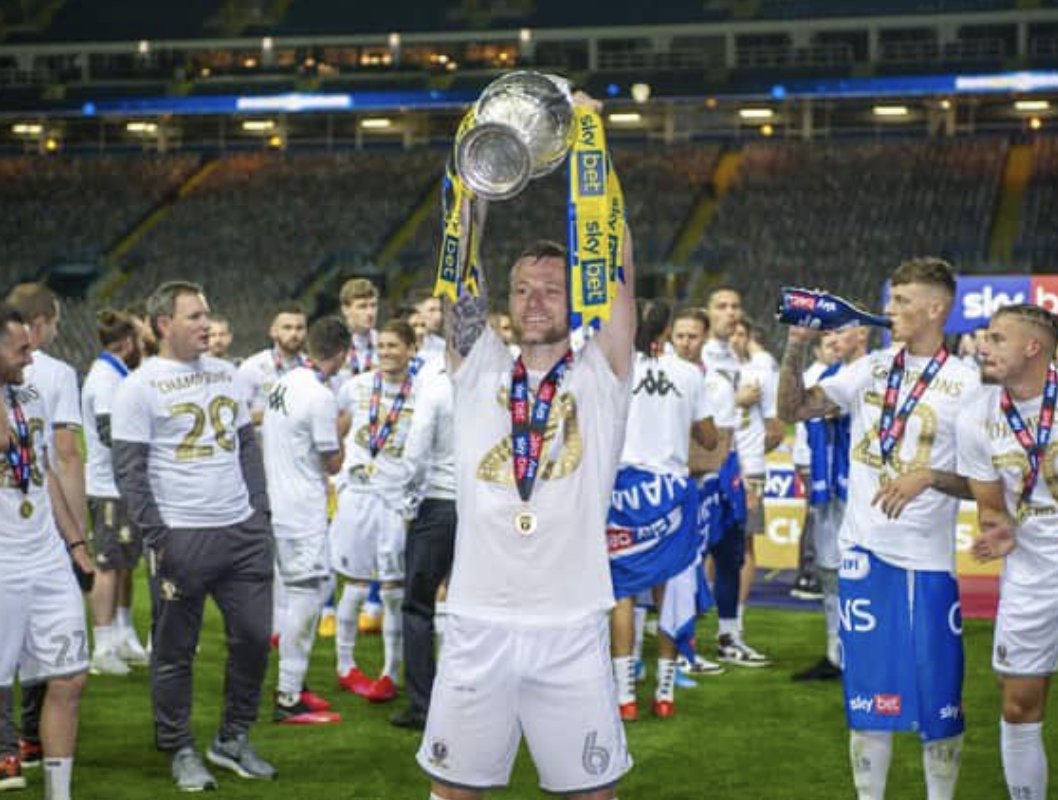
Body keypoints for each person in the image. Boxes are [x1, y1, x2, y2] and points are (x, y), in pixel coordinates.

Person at [417, 215, 636, 796]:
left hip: (570, 624)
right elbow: (458, 272)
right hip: (476, 621)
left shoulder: (600, 372)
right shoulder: (478, 364)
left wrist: (589, 140)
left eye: (551, 289)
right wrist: (476, 190)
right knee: (452, 789)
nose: (534, 301)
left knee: (592, 792)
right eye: (522, 289)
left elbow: (619, 266)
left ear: (576, 298)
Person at [777, 257, 976, 800]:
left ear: (936, 308)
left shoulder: (969, 382)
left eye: (901, 302)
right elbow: (793, 408)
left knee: (940, 702)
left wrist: (930, 476)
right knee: (869, 699)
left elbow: (988, 483)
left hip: (928, 563)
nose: (888, 311)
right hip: (864, 553)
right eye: (889, 300)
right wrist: (797, 344)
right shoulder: (871, 369)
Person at [112, 281, 276, 791]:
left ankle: (232, 738)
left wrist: (259, 510)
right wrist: (159, 535)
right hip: (183, 536)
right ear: (165, 325)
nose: (207, 323)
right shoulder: (137, 386)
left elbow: (247, 446)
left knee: (252, 638)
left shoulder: (227, 373)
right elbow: (130, 472)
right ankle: (179, 746)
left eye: (207, 313)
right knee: (174, 651)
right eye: (195, 316)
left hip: (241, 532)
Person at [956, 303, 1058, 800]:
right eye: (985, 338)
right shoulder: (976, 415)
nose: (984, 346)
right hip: (1032, 575)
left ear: (1033, 347)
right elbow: (991, 508)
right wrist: (997, 530)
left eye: (997, 339)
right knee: (1018, 703)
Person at [0, 303, 92, 800]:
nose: (31, 359)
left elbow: (43, 470)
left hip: (47, 559)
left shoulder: (31, 395)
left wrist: (75, 541)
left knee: (70, 678)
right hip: (1, 565)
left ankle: (60, 795)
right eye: (20, 350)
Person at [608, 300, 717, 721]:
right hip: (670, 490)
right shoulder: (689, 374)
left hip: (622, 491)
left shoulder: (614, 369)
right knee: (669, 591)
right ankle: (665, 693)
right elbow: (708, 439)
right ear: (667, 330)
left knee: (620, 591)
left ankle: (624, 697)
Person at [262, 316, 349, 725]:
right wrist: (346, 430)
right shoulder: (320, 395)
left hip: (279, 502)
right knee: (307, 596)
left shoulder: (284, 382)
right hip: (302, 511)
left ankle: (295, 684)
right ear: (344, 353)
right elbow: (332, 462)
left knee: (309, 590)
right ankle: (288, 696)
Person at [332, 319, 422, 704]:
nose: (386, 352)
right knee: (352, 583)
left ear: (411, 349)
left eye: (393, 346)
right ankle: (345, 665)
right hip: (358, 495)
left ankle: (390, 671)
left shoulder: (422, 393)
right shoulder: (356, 387)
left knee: (392, 590)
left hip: (395, 499)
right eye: (381, 346)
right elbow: (332, 429)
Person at [791, 325, 868, 682]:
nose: (833, 340)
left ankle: (865, 653)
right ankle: (834, 652)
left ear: (863, 332)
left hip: (863, 489)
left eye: (840, 332)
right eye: (830, 335)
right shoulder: (827, 377)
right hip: (829, 485)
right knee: (828, 568)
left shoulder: (877, 373)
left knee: (865, 572)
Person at [700, 288, 769, 666]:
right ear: (708, 313)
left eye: (735, 306)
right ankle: (680, 645)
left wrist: (747, 473)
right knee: (690, 559)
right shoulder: (699, 357)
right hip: (706, 469)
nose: (730, 313)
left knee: (731, 555)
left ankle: (729, 637)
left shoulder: (736, 359)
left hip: (736, 471)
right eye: (721, 306)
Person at [81, 310, 148, 677]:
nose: (143, 346)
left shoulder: (117, 374)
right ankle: (103, 645)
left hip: (121, 486)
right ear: (125, 344)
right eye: (138, 339)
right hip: (109, 486)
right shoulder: (105, 379)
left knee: (124, 564)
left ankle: (123, 634)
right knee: (108, 565)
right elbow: (110, 434)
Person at [670, 307, 735, 678]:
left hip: (698, 488)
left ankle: (684, 647)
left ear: (705, 338)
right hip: (667, 486)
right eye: (680, 335)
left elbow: (715, 449)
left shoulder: (717, 385)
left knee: (688, 571)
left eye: (693, 336)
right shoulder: (659, 375)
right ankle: (669, 649)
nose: (685, 342)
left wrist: (677, 454)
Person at [391, 360, 456, 731]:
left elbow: (414, 453)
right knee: (479, 605)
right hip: (484, 506)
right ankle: (479, 695)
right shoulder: (498, 383)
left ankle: (423, 704)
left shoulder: (436, 387)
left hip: (439, 503)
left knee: (418, 604)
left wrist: (409, 506)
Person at [728, 316, 783, 643]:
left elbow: (776, 429)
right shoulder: (710, 373)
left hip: (747, 472)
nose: (734, 338)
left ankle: (738, 617)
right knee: (705, 544)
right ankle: (702, 608)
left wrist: (751, 455)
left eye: (740, 333)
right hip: (713, 468)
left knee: (744, 543)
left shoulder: (759, 375)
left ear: (748, 339)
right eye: (731, 333)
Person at [238, 303, 308, 426]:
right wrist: (275, 414)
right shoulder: (252, 367)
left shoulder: (312, 368)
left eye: (299, 328)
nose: (294, 334)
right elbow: (236, 416)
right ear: (273, 332)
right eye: (287, 328)